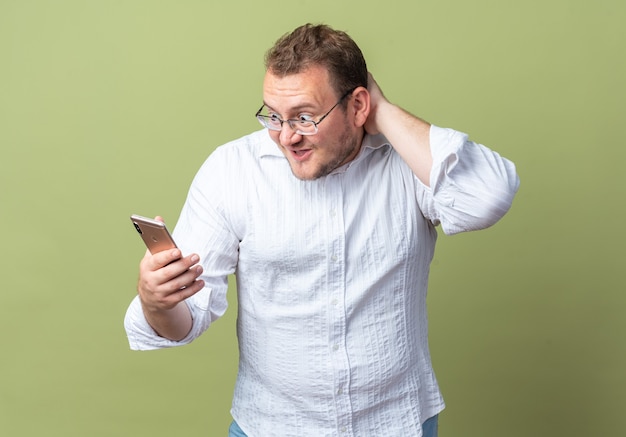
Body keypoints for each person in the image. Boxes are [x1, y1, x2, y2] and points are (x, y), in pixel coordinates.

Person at [124, 23, 520, 437]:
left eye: (305, 117)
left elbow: (487, 198)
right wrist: (157, 303)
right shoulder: (232, 171)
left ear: (358, 105)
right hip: (272, 427)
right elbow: (188, 320)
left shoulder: (406, 163)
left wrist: (382, 113)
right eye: (274, 116)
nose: (286, 136)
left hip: (396, 424)